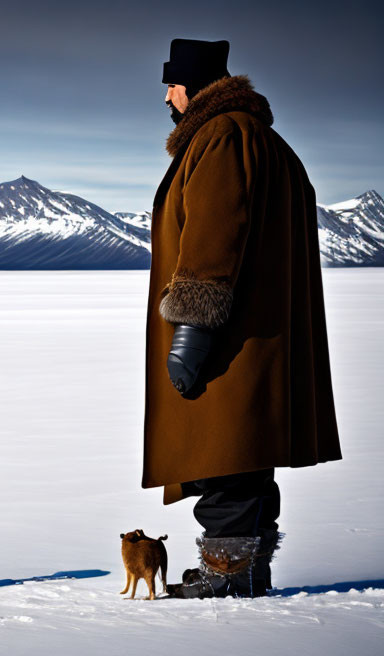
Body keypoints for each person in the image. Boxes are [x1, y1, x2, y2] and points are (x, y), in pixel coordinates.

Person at [143, 38, 343, 598]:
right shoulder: (267, 141)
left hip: (230, 336)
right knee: (249, 454)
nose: (167, 96)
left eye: (173, 84)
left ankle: (226, 576)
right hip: (261, 337)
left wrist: (191, 331)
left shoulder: (224, 137)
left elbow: (214, 239)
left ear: (195, 85)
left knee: (222, 452)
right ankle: (246, 570)